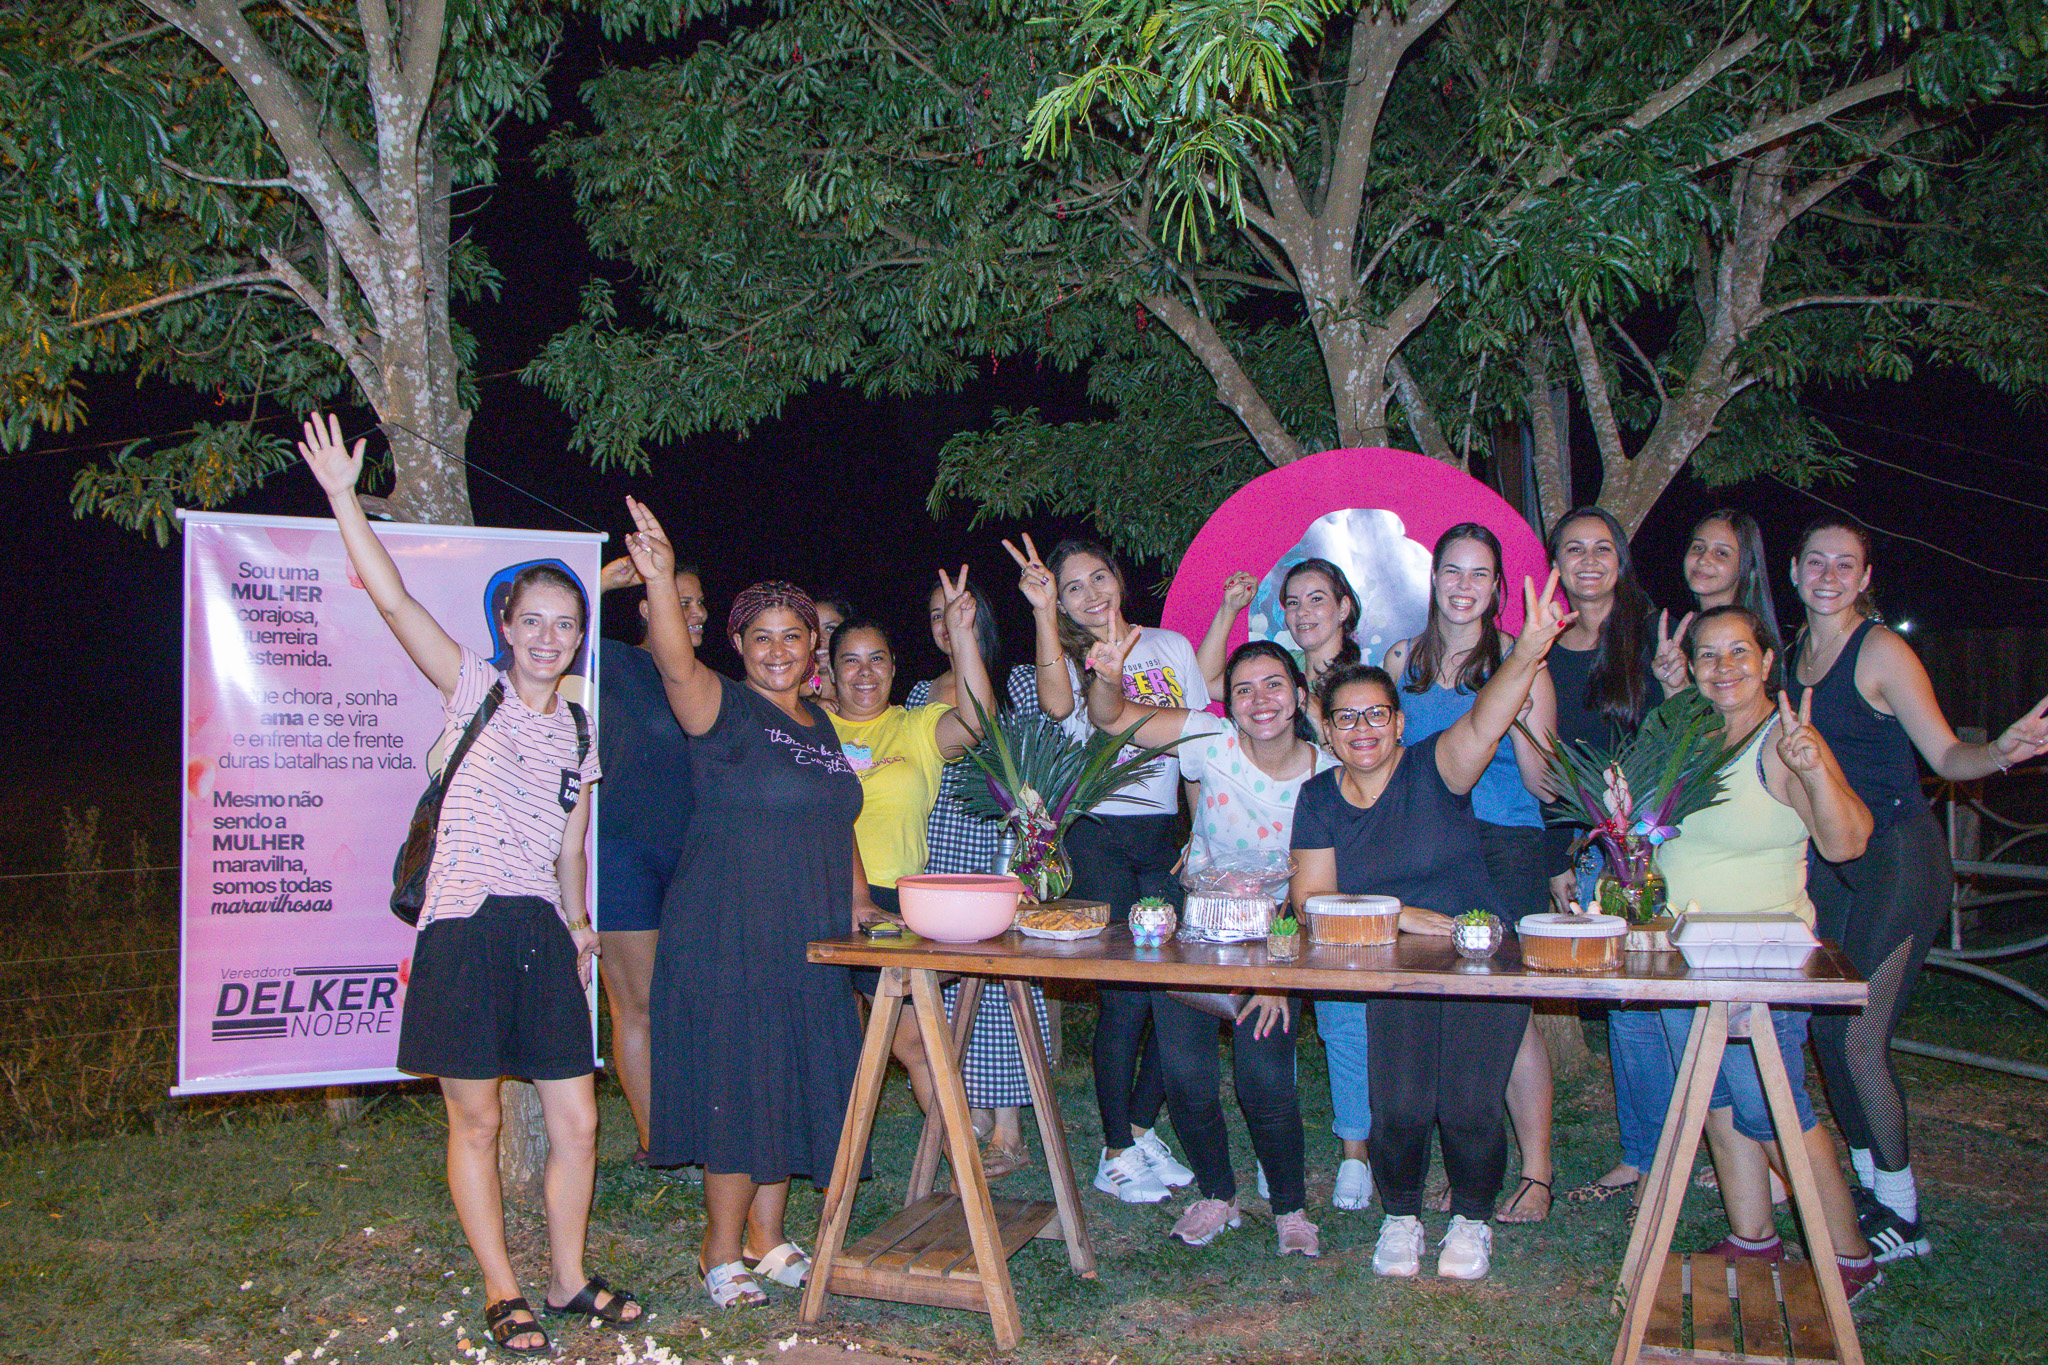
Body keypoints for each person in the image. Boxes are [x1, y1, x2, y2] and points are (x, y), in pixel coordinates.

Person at [297, 414, 639, 1355]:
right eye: (532, 621)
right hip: (458, 925)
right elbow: (395, 600)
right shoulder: (470, 690)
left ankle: (567, 1277)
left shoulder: (579, 729)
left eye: (565, 625)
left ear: (579, 638)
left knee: (575, 1116)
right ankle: (501, 1285)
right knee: (477, 1115)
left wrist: (578, 920)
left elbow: (570, 847)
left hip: (539, 927)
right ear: (505, 627)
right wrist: (340, 495)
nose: (549, 637)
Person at [624, 502, 874, 1309]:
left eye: (792, 635)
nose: (777, 649)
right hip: (728, 929)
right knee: (741, 1082)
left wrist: (862, 902)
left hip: (809, 931)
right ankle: (719, 1247)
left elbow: (840, 819)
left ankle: (770, 1239)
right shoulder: (720, 708)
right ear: (737, 645)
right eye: (760, 635)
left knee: (790, 1081)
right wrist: (662, 580)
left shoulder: (825, 727)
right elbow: (670, 661)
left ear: (814, 649)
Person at [1290, 571, 1573, 1282]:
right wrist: (1404, 915)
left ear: (1399, 721)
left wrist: (1531, 647)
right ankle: (1402, 1214)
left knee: (1472, 1104)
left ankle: (1473, 1220)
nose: (1362, 729)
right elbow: (1310, 904)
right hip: (1397, 957)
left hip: (1479, 956)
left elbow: (1487, 715)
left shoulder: (1435, 768)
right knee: (1402, 1105)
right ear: (1326, 730)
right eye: (1346, 718)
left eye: (1376, 714)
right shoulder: (1318, 797)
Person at [1790, 517, 2048, 1262]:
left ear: (1867, 577)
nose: (1831, 575)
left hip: (1899, 861)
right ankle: (1871, 1188)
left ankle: (1904, 1214)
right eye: (1817, 561)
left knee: (1856, 1032)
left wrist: (1999, 750)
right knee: (1824, 1029)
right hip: (1830, 866)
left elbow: (1944, 753)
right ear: (1795, 570)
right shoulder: (1793, 658)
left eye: (1847, 564)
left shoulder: (1881, 651)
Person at [1084, 635, 1338, 1256]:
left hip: (1274, 942)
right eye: (1244, 688)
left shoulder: (1326, 777)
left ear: (1299, 695)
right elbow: (1112, 717)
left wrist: (1280, 978)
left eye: (1274, 684)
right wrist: (1111, 675)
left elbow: (1319, 895)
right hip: (1190, 929)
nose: (1259, 700)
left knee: (1265, 1079)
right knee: (1186, 1075)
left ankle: (1289, 1209)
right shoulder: (1209, 739)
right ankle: (1217, 1195)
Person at [1655, 606, 1882, 1300]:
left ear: (1766, 660)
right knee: (1717, 1100)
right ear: (1690, 668)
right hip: (1685, 958)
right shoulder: (1693, 739)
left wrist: (1814, 769)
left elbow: (1847, 842)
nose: (1723, 668)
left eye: (1737, 653)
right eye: (1707, 656)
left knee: (1775, 1107)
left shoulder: (1784, 742)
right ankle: (1753, 1235)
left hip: (1762, 961)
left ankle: (1848, 1254)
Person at [1007, 533, 1205, 1203]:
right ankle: (1115, 1150)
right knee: (1123, 996)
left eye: (1098, 577)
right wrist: (1040, 611)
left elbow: (1197, 741)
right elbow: (1060, 708)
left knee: (1175, 988)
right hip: (1096, 830)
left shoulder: (1171, 647)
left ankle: (1142, 1127)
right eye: (1072, 588)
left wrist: (1201, 830)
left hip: (1165, 832)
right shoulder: (1060, 656)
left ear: (1118, 577)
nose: (1090, 594)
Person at [1381, 523, 1559, 1224]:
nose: (1463, 586)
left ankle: (1539, 1172)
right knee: (1444, 1008)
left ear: (1497, 588)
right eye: (1452, 571)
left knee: (1504, 1012)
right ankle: (1468, 1165)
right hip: (1425, 848)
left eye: (1479, 574)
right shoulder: (1403, 659)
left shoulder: (1526, 662)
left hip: (1506, 842)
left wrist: (1511, 714)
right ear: (1433, 578)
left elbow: (1547, 786)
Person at [826, 572, 998, 1116]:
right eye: (850, 660)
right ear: (829, 671)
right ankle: (830, 1161)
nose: (864, 672)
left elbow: (977, 722)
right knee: (826, 1046)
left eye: (877, 658)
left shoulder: (917, 725)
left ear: (895, 668)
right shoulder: (809, 727)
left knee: (917, 1044)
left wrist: (962, 630)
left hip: (891, 905)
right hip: (814, 896)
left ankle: (960, 1166)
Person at [1544, 506, 1672, 1207]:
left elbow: (1688, 732)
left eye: (1602, 548)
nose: (1588, 560)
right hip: (1594, 853)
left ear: (1621, 559)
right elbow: (1547, 762)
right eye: (1573, 549)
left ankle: (1725, 1139)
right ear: (1556, 564)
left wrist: (1678, 681)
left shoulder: (1654, 638)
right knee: (1626, 1002)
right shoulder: (1549, 648)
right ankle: (1645, 1150)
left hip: (1663, 846)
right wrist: (1557, 856)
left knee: (1681, 999)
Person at [908, 583, 1054, 1178]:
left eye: (960, 614)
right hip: (939, 843)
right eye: (937, 616)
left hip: (999, 843)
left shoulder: (1016, 682)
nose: (947, 624)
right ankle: (963, 1114)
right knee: (947, 984)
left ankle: (1010, 1128)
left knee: (1004, 979)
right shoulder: (919, 692)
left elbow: (996, 729)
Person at [593, 555, 708, 1169]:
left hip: (692, 861)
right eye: (681, 602)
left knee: (687, 1000)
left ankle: (692, 1125)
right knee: (636, 1004)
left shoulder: (701, 679)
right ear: (647, 609)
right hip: (622, 854)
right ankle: (655, 1143)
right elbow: (536, 629)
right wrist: (600, 581)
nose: (698, 614)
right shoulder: (608, 662)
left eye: (698, 605)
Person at [1652, 509, 1785, 696]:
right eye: (1698, 547)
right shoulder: (1679, 638)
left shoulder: (1754, 641)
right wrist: (1674, 686)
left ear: (1746, 565)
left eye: (1721, 553)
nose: (1704, 559)